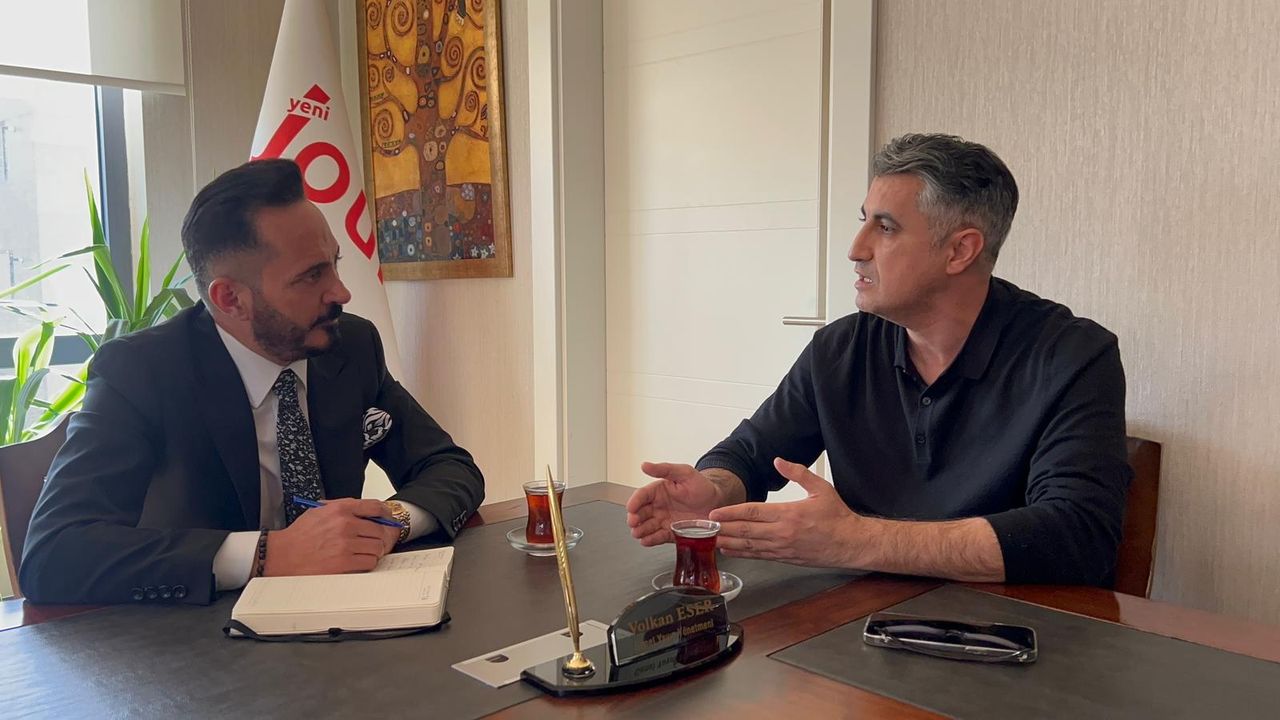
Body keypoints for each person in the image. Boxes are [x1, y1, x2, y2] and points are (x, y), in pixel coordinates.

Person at [627, 133, 1131, 586]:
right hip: (860, 622)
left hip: (1014, 634)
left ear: (960, 250)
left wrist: (854, 541)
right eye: (863, 221)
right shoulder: (839, 349)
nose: (855, 249)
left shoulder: (1074, 356)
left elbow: (1079, 534)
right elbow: (750, 454)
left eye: (885, 228)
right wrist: (713, 492)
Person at [20, 159, 485, 605]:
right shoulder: (142, 371)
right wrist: (269, 554)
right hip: (199, 638)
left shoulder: (350, 345)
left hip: (345, 619)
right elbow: (54, 554)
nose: (341, 292)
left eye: (334, 263)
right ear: (230, 299)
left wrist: (389, 524)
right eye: (311, 276)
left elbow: (450, 468)